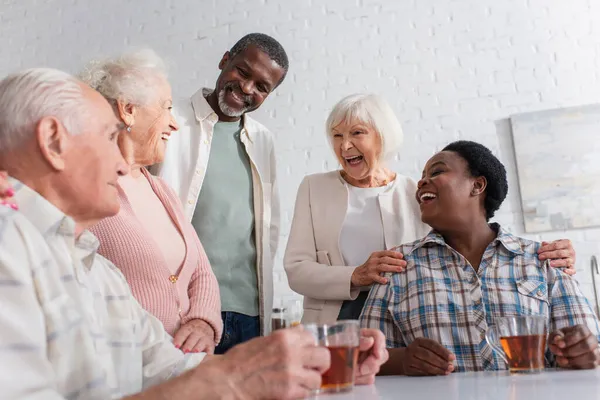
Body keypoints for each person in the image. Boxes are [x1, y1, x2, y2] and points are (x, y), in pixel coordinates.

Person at [0, 67, 387, 399]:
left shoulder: (101, 273)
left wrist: (310, 366)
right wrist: (231, 379)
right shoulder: (9, 245)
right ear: (53, 141)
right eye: (108, 138)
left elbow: (169, 368)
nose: (123, 165)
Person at [284, 93, 578, 325]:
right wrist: (356, 275)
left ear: (382, 136)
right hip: (334, 320)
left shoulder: (417, 191)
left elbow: (464, 241)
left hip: (405, 316)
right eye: (336, 136)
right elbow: (297, 270)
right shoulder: (314, 188)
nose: (345, 145)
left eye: (357, 133)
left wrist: (544, 255)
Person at [360, 140, 600, 374]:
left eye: (437, 171)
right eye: (423, 176)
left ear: (477, 186)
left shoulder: (543, 259)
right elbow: (363, 357)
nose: (422, 181)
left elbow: (590, 348)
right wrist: (401, 361)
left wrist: (585, 351)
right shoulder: (397, 263)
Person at [79, 50, 221, 354]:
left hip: (185, 369)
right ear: (128, 110)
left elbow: (202, 272)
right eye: (166, 108)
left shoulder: (161, 190)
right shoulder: (84, 192)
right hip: (132, 372)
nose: (174, 124)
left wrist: (202, 322)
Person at [152, 33, 288, 353]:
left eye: (262, 87)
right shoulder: (171, 121)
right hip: (186, 310)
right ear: (224, 60)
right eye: (242, 72)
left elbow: (267, 228)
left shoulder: (263, 140)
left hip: (252, 314)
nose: (247, 88)